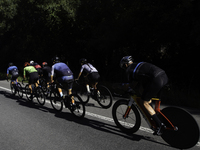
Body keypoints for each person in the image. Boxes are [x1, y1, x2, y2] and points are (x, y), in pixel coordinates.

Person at [119, 56, 168, 135]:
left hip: (156, 79)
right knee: (144, 93)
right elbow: (135, 83)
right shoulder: (138, 65)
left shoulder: (129, 70)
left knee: (143, 102)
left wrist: (120, 87)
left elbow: (127, 85)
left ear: (125, 65)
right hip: (163, 76)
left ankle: (160, 125)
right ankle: (153, 115)